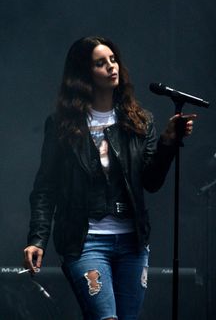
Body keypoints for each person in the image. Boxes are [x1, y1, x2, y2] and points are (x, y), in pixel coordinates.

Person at [23, 36, 196, 320]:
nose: (111, 67)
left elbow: (151, 182)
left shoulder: (140, 120)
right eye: (100, 63)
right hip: (85, 241)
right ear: (83, 73)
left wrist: (167, 143)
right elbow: (45, 187)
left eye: (113, 60)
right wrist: (37, 239)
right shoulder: (62, 125)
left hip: (132, 243)